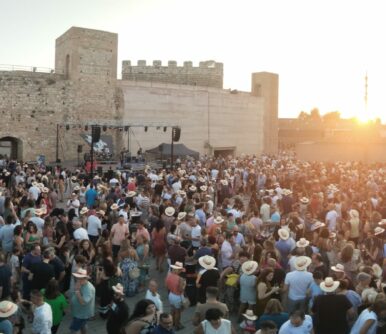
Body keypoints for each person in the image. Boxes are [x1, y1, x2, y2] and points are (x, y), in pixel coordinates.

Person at [70, 268, 96, 334]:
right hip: (79, 312)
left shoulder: (88, 288)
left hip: (81, 314)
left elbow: (83, 302)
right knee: (83, 325)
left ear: (84, 278)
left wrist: (77, 291)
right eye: (76, 277)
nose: (76, 279)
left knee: (74, 329)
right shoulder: (82, 284)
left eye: (78, 278)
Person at [165, 261, 186, 331]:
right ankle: (177, 325)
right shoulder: (180, 279)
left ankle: (171, 323)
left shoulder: (169, 275)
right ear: (179, 270)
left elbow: (166, 286)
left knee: (172, 309)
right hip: (177, 296)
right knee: (178, 312)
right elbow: (180, 290)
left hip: (171, 294)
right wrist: (184, 286)